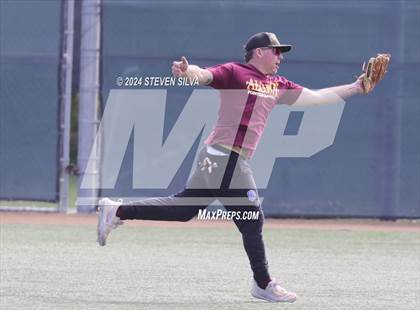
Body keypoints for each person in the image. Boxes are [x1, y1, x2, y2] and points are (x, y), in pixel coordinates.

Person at [97, 32, 369, 303]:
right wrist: (186, 71)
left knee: (185, 209)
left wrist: (356, 87)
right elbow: (205, 75)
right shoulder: (235, 72)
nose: (280, 57)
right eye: (276, 51)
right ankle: (263, 284)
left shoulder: (276, 84)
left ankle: (117, 210)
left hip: (223, 156)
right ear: (259, 51)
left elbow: (316, 97)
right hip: (225, 157)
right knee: (252, 217)